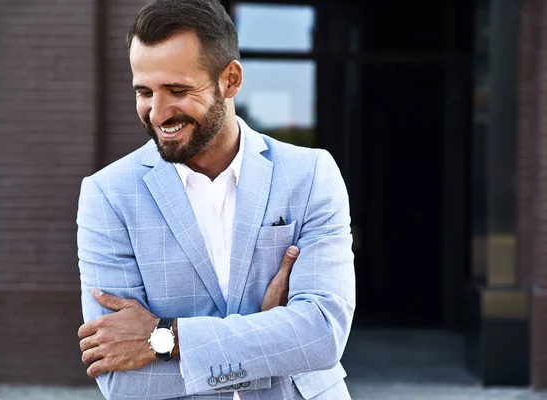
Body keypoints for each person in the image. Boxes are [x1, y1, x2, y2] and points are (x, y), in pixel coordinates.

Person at [76, 0, 355, 398]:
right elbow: (122, 378)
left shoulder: (309, 174)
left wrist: (165, 339)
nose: (157, 113)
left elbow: (323, 335)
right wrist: (271, 339)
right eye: (144, 92)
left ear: (230, 80)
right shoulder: (108, 195)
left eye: (177, 90)